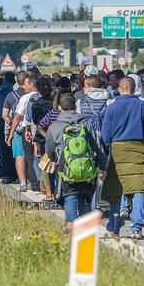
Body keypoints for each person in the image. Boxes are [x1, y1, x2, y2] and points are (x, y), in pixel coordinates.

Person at [99, 77, 144, 239]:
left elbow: (105, 135)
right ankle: (137, 228)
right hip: (138, 149)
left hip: (117, 150)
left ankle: (114, 227)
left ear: (119, 89)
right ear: (134, 89)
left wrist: (105, 155)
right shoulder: (142, 105)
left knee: (115, 190)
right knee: (139, 188)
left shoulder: (112, 107)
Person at [45, 93, 106, 229]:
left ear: (59, 107)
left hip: (65, 167)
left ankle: (71, 224)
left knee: (69, 193)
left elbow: (49, 149)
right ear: (75, 106)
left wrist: (56, 161)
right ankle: (85, 223)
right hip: (87, 167)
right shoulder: (85, 123)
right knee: (85, 194)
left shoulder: (54, 126)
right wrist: (103, 166)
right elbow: (97, 145)